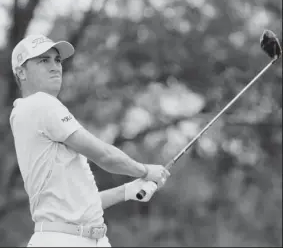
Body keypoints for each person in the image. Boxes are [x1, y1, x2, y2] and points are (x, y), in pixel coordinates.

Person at [9, 34, 170, 247]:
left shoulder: (28, 111)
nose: (55, 66)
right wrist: (146, 171)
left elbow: (78, 205)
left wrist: (126, 191)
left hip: (79, 238)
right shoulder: (41, 104)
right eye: (43, 60)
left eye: (57, 60)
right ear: (21, 72)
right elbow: (103, 155)